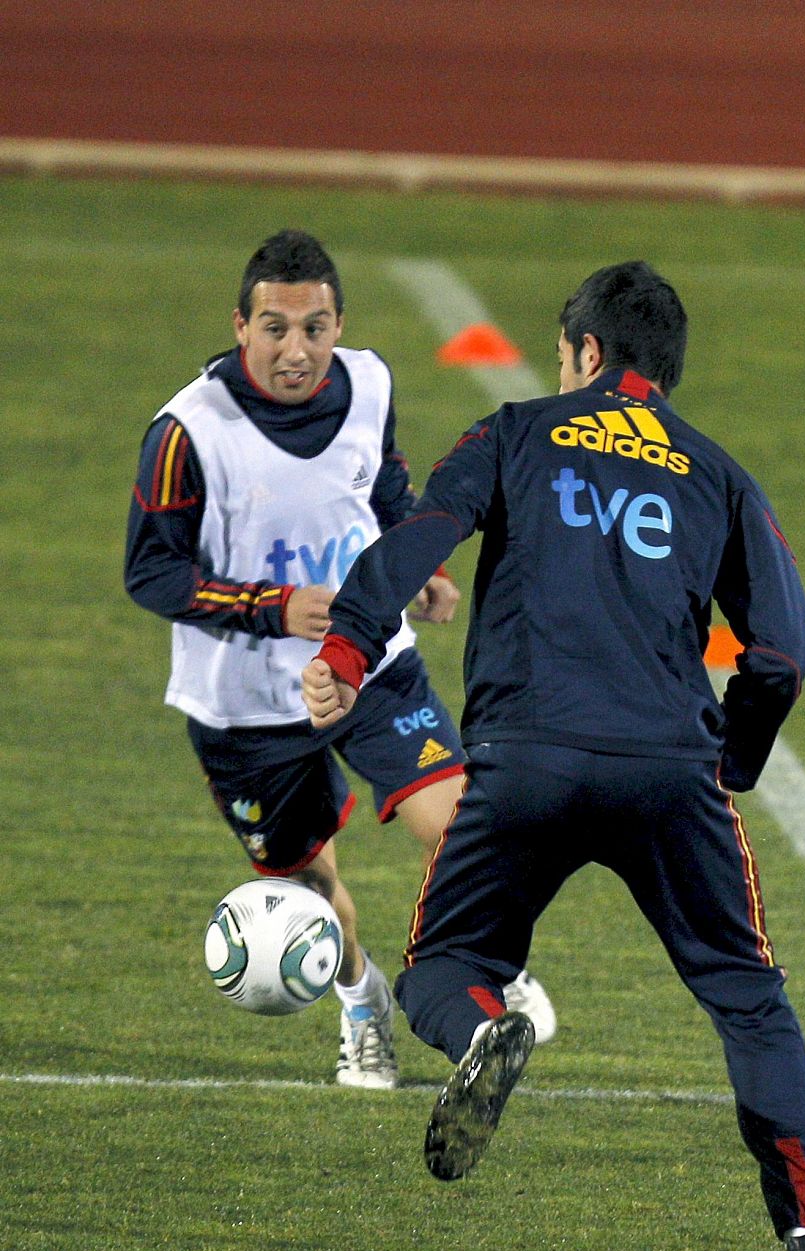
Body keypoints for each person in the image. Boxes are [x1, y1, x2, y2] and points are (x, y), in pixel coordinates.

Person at [300, 261, 805, 1251]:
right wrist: (730, 760)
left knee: (445, 965)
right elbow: (782, 651)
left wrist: (345, 653)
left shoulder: (516, 431)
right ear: (665, 371)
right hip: (670, 771)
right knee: (749, 1000)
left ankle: (485, 1027)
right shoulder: (718, 472)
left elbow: (416, 538)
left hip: (526, 758)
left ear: (582, 352)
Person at [126, 229, 554, 1091]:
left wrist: (416, 560)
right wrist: (273, 607)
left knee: (469, 823)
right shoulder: (186, 432)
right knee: (310, 886)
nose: (297, 350)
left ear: (339, 324)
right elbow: (151, 570)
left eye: (315, 327)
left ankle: (492, 971)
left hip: (370, 661)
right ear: (240, 326)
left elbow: (382, 479)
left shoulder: (369, 383)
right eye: (275, 328)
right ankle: (364, 1004)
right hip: (244, 704)